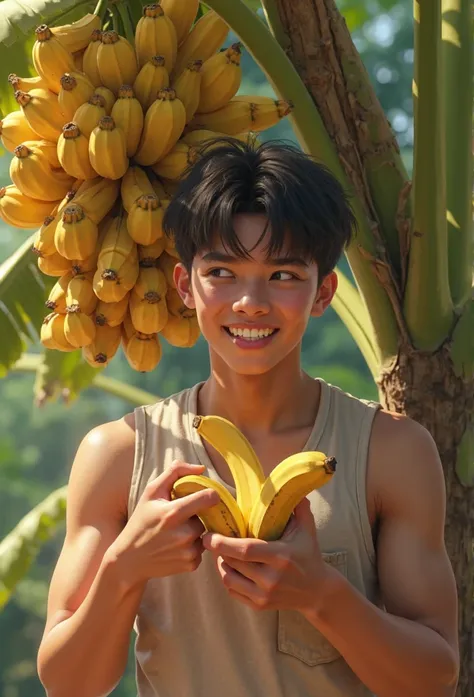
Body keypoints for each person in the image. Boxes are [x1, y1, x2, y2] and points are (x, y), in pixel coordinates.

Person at [36, 138, 459, 697]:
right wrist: (123, 569)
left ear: (323, 292)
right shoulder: (117, 455)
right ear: (187, 286)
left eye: (283, 275)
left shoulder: (392, 451)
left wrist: (321, 595)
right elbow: (68, 685)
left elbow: (434, 680)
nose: (251, 302)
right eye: (223, 272)